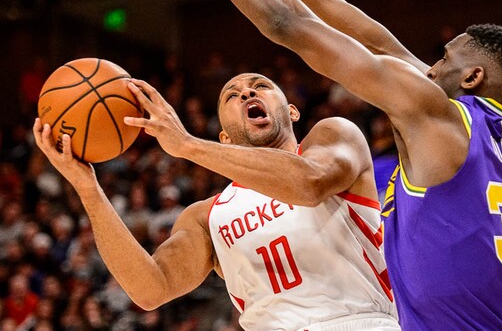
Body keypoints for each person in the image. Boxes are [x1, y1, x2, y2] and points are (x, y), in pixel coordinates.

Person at [145, 0, 502, 329]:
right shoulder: (493, 130)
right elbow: (377, 41)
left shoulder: (436, 114)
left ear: (473, 76)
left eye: (443, 59)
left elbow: (285, 24)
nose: (429, 68)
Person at [33, 72, 399, 330]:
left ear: (291, 111)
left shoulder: (333, 136)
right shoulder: (207, 216)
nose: (247, 93)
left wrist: (187, 145)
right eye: (232, 94)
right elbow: (150, 290)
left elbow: (310, 183)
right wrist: (87, 190)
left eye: (261, 86)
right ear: (224, 136)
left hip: (360, 320)